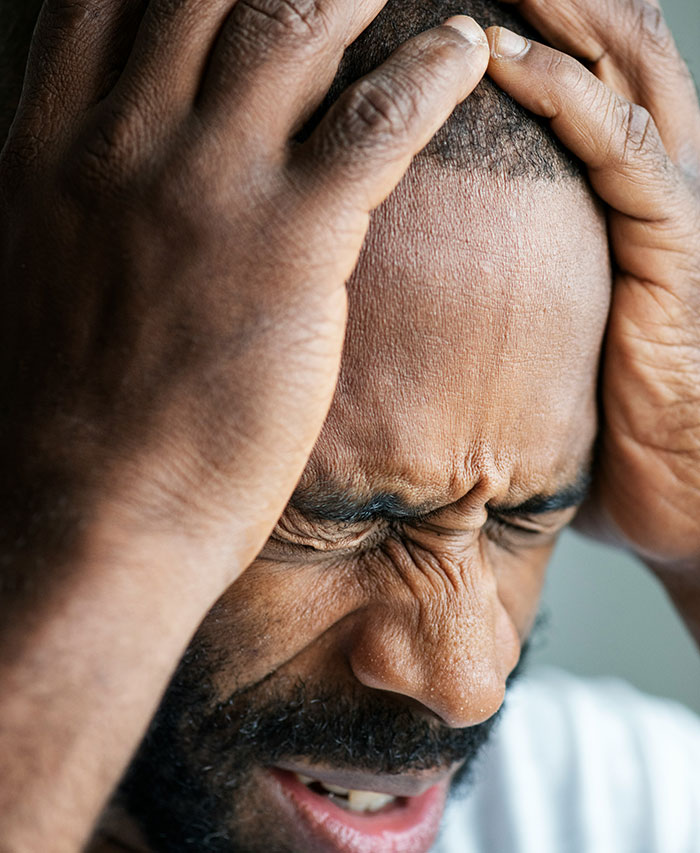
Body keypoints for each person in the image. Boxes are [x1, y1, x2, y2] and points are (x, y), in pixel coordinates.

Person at [0, 0, 699, 851]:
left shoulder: (608, 804)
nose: (468, 681)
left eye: (524, 517)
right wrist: (123, 528)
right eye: (343, 519)